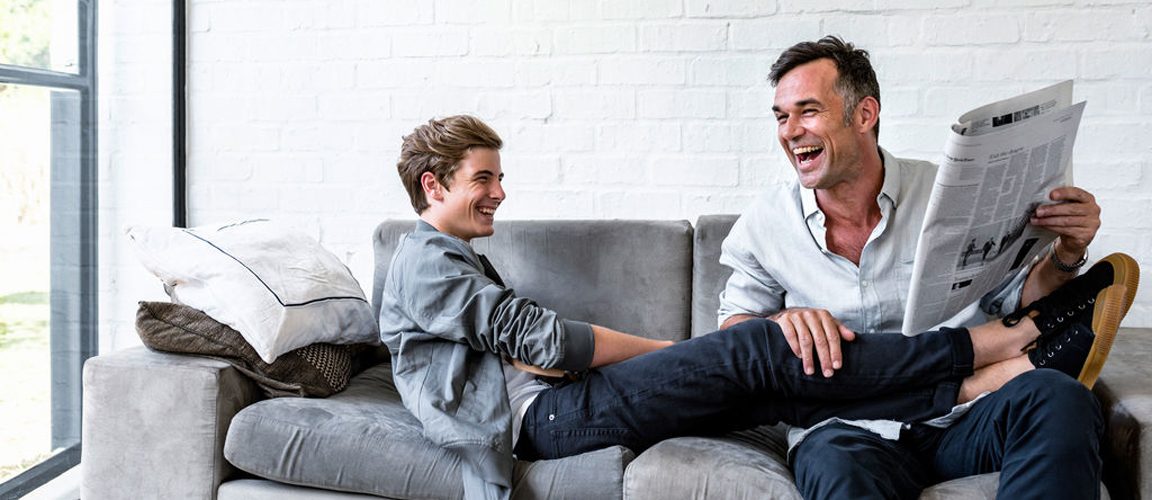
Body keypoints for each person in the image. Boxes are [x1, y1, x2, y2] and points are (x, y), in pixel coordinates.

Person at [379, 115, 1138, 500]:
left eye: (498, 175)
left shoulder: (452, 260)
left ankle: (994, 365)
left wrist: (1062, 258)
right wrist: (676, 356)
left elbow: (517, 346)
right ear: (433, 188)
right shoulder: (423, 260)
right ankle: (1002, 346)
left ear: (864, 115)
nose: (500, 191)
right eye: (484, 178)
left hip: (556, 407)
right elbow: (542, 342)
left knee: (777, 372)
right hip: (543, 422)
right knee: (769, 348)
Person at [718, 36, 1136, 499]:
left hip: (965, 417)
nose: (789, 130)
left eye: (808, 111)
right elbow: (731, 335)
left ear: (864, 114)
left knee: (1060, 397)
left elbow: (1016, 300)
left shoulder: (945, 193)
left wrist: (1067, 251)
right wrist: (781, 321)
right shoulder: (768, 221)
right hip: (846, 431)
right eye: (782, 116)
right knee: (833, 466)